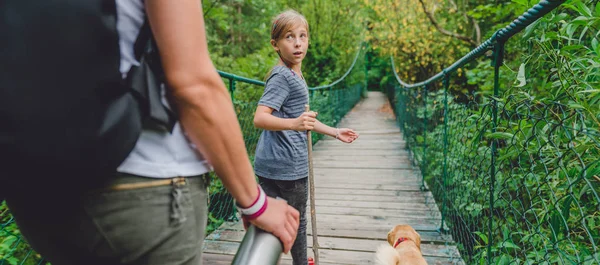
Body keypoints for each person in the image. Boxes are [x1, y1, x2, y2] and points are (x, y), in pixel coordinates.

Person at [4, 0, 299, 264]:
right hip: (141, 193)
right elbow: (193, 85)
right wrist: (256, 204)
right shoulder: (279, 78)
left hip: (33, 192)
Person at [252, 9, 359, 265]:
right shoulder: (283, 77)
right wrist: (294, 123)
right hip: (289, 168)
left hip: (269, 165)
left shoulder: (293, 75)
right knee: (297, 223)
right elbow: (259, 118)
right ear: (275, 45)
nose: (298, 43)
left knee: (268, 221)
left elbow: (304, 120)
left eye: (302, 36)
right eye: (289, 37)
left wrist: (334, 131)